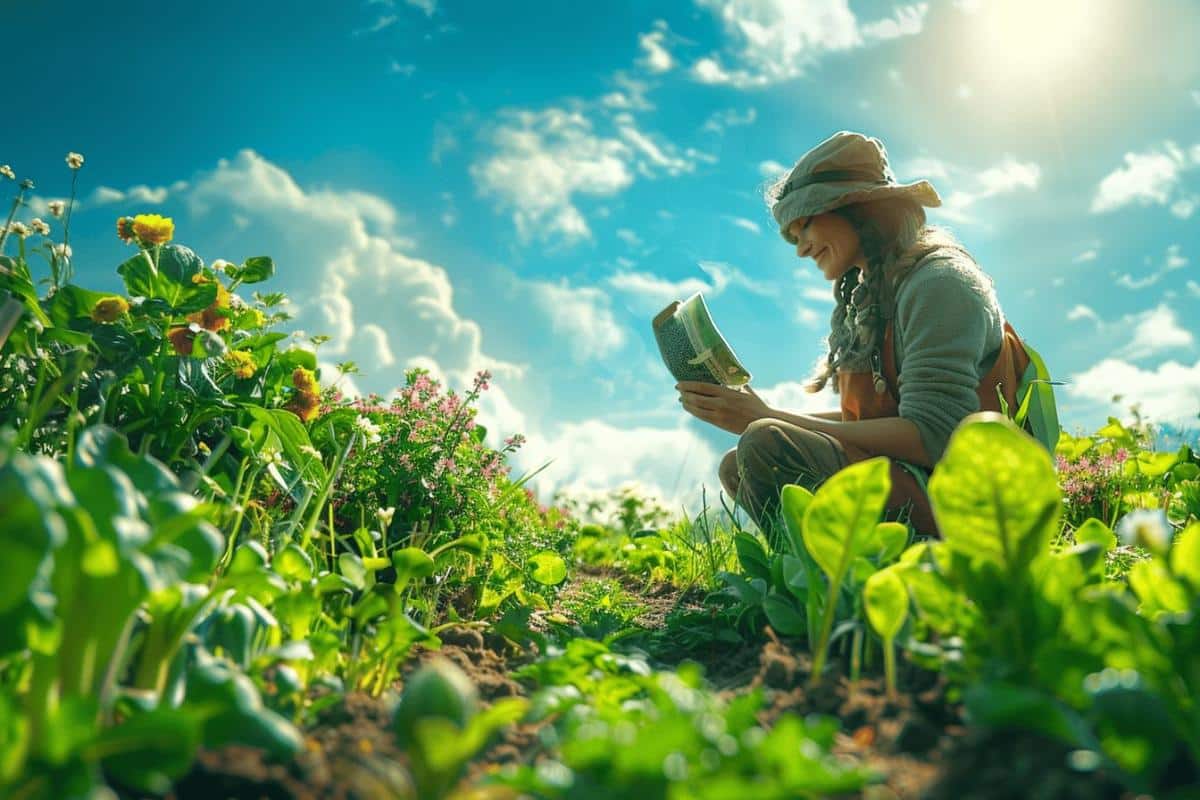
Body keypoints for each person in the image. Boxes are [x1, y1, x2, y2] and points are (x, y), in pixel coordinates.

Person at [677, 130, 1054, 546]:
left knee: (766, 443)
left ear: (856, 208)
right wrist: (759, 411)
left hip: (971, 506)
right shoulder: (874, 294)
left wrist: (767, 420)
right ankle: (827, 590)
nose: (801, 249)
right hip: (910, 482)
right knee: (741, 462)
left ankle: (872, 586)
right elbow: (872, 426)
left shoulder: (939, 284)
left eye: (804, 225)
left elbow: (935, 437)